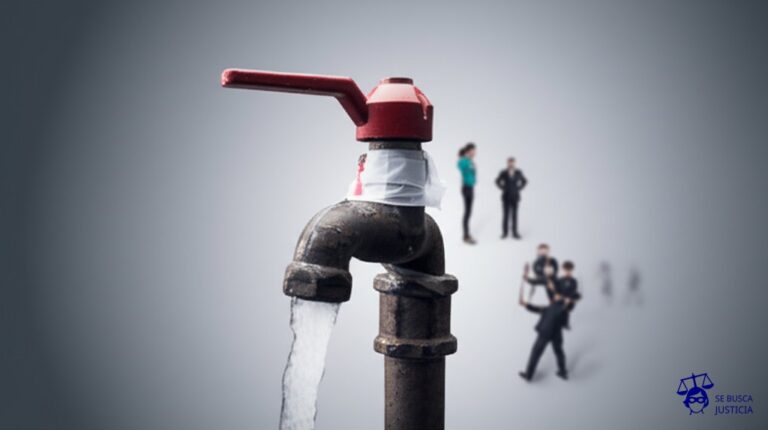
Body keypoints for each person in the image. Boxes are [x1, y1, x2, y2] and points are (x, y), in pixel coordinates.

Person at [517, 280, 571, 381]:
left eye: (556, 295)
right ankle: (562, 372)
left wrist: (526, 304)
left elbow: (538, 308)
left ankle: (528, 375)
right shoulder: (557, 307)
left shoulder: (556, 307)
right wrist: (526, 304)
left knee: (536, 353)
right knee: (559, 352)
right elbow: (538, 309)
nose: (554, 296)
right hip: (556, 334)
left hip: (545, 333)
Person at [495, 157, 527, 239]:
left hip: (515, 196)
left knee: (515, 215)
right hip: (506, 196)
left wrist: (518, 188)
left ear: (515, 163)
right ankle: (504, 233)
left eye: (512, 163)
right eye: (509, 163)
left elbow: (525, 181)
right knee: (505, 215)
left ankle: (515, 232)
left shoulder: (518, 172)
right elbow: (497, 181)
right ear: (507, 163)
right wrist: (503, 188)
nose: (511, 164)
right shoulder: (503, 172)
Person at [457, 143, 477, 244]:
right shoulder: (464, 161)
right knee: (467, 212)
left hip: (471, 187)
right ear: (468, 151)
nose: (474, 153)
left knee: (469, 212)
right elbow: (460, 166)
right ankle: (466, 235)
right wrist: (465, 157)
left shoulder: (470, 161)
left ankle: (467, 234)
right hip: (466, 188)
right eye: (473, 150)